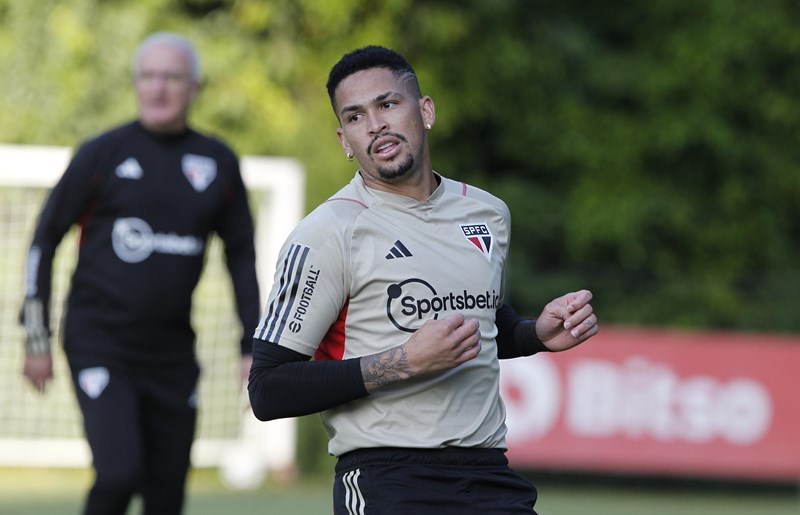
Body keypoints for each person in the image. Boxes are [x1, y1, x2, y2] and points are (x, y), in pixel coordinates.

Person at [248, 45, 598, 514]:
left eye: (387, 104)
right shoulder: (328, 232)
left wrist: (533, 333)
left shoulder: (487, 213)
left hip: (490, 475)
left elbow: (481, 321)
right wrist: (405, 361)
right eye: (355, 117)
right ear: (344, 141)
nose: (375, 126)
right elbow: (268, 389)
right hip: (387, 481)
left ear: (425, 110)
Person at [20, 32, 260, 515]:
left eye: (171, 77)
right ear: (135, 84)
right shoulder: (101, 153)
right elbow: (43, 241)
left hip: (172, 354)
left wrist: (251, 346)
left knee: (167, 492)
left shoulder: (218, 163)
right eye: (148, 76)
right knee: (118, 472)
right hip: (99, 343)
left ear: (194, 87)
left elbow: (241, 257)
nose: (158, 88)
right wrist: (36, 338)